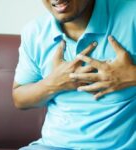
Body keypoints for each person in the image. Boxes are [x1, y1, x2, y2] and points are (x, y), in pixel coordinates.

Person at [12, 0, 136, 149]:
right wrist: (53, 83)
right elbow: (20, 98)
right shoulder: (34, 32)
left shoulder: (131, 13)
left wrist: (132, 76)